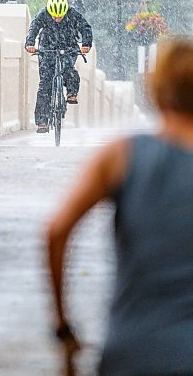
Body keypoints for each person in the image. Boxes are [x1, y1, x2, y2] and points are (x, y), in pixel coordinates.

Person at [46, 35, 193, 375]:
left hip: (136, 348)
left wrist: (63, 328)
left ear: (155, 91)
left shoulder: (123, 155)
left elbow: (55, 232)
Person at [25, 0, 93, 133]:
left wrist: (86, 44)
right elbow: (34, 28)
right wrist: (30, 43)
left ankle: (71, 93)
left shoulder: (73, 14)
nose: (57, 19)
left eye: (60, 17)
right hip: (47, 49)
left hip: (68, 48)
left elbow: (86, 27)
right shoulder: (44, 14)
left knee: (69, 70)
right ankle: (42, 121)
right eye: (54, 17)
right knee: (45, 84)